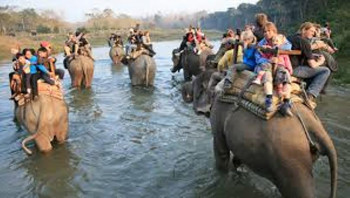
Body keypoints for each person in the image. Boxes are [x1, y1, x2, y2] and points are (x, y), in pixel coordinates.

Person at [288, 22, 330, 108]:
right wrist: (321, 61)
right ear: (304, 30)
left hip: (285, 66)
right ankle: (309, 95)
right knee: (325, 71)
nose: (313, 33)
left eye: (314, 32)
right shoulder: (304, 42)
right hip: (295, 69)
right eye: (311, 31)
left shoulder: (290, 37)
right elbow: (313, 65)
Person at [254, 22, 292, 113]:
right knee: (267, 75)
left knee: (284, 73)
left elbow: (289, 46)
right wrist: (269, 60)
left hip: (279, 65)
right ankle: (269, 100)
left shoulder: (281, 39)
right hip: (265, 66)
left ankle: (286, 102)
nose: (266, 33)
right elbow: (257, 58)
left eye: (269, 31)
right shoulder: (262, 43)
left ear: (274, 31)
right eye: (265, 31)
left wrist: (277, 48)